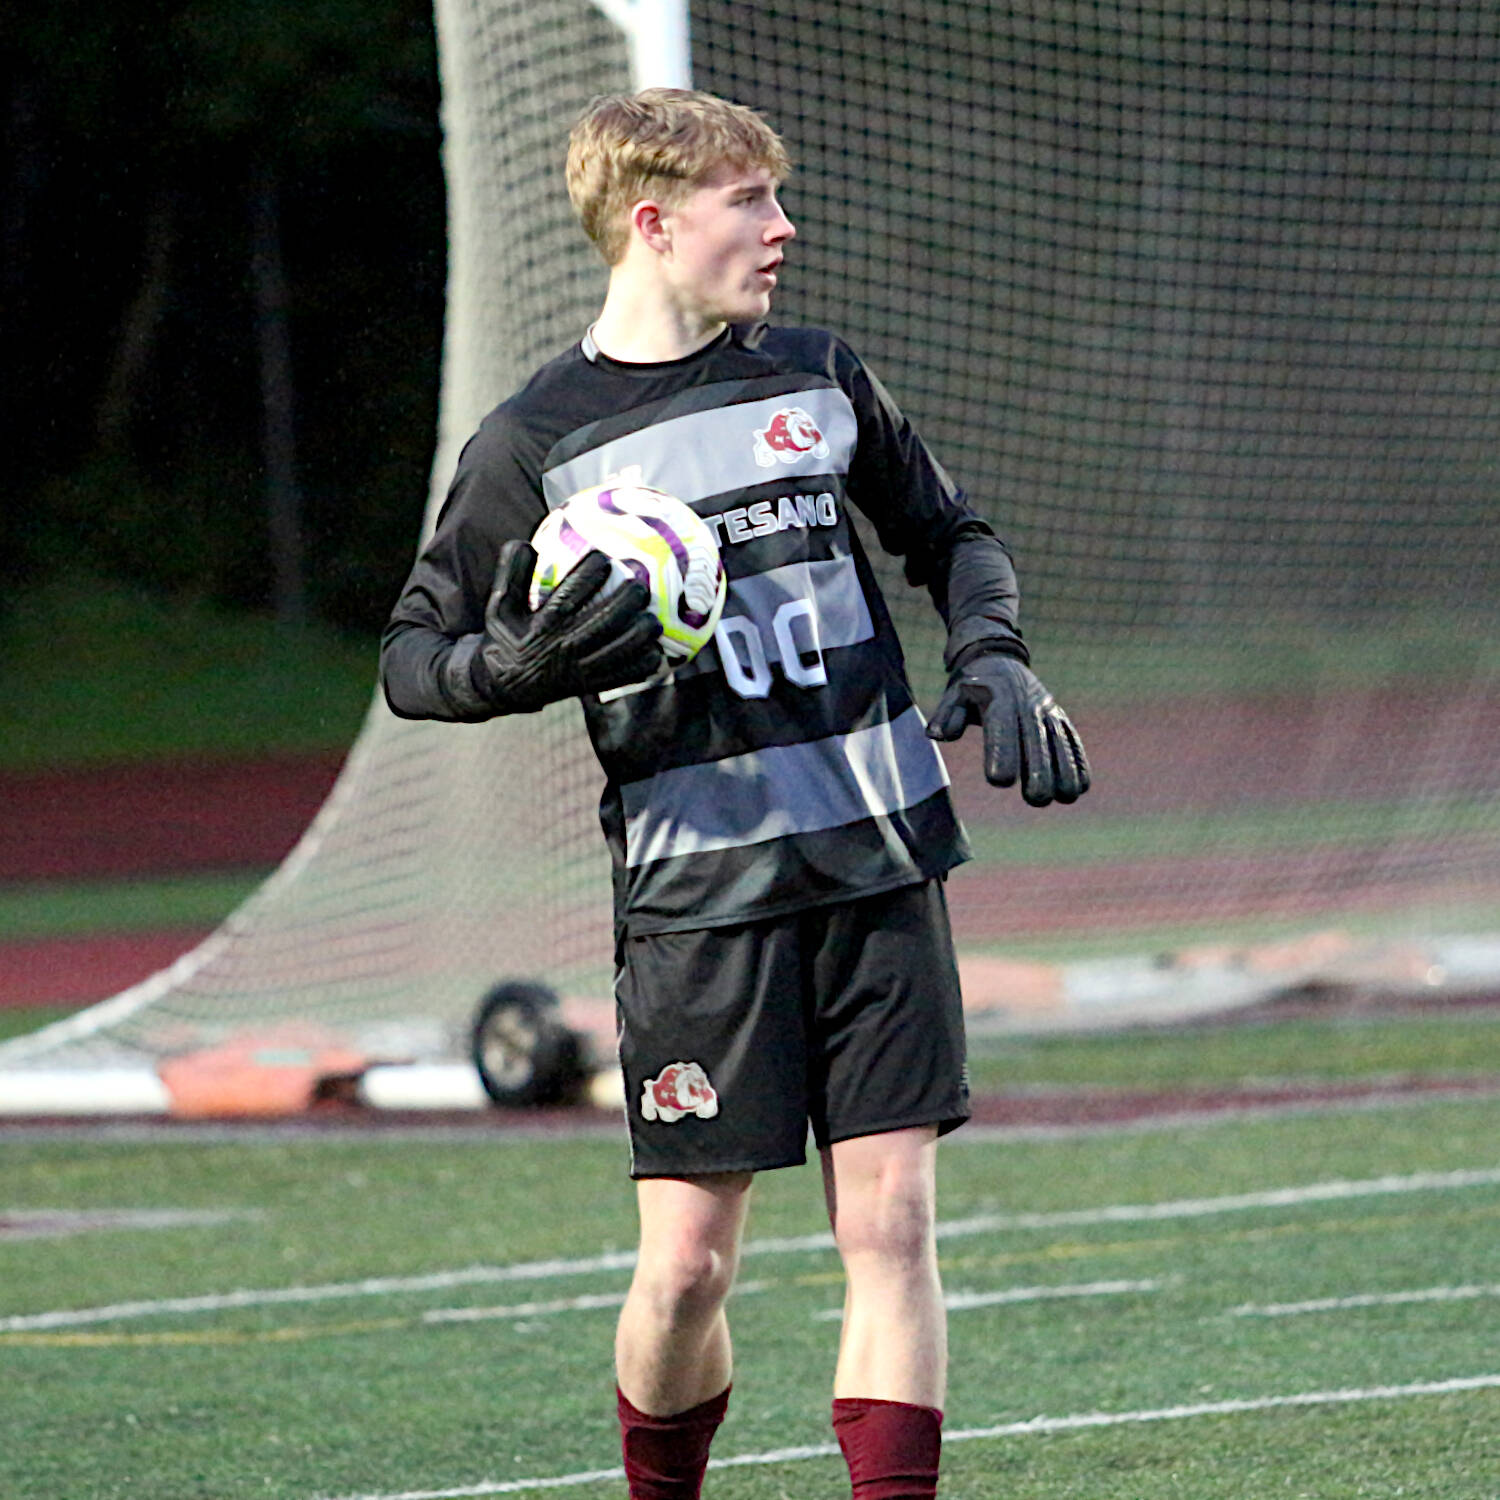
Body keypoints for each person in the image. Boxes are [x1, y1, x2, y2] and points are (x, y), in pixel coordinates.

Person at [381, 87, 1088, 1500]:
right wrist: (515, 665)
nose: (782, 227)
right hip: (701, 903)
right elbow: (414, 658)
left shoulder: (817, 376)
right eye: (750, 200)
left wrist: (997, 651)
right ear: (653, 223)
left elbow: (953, 537)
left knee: (891, 1227)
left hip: (881, 856)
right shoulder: (534, 444)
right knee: (690, 1268)